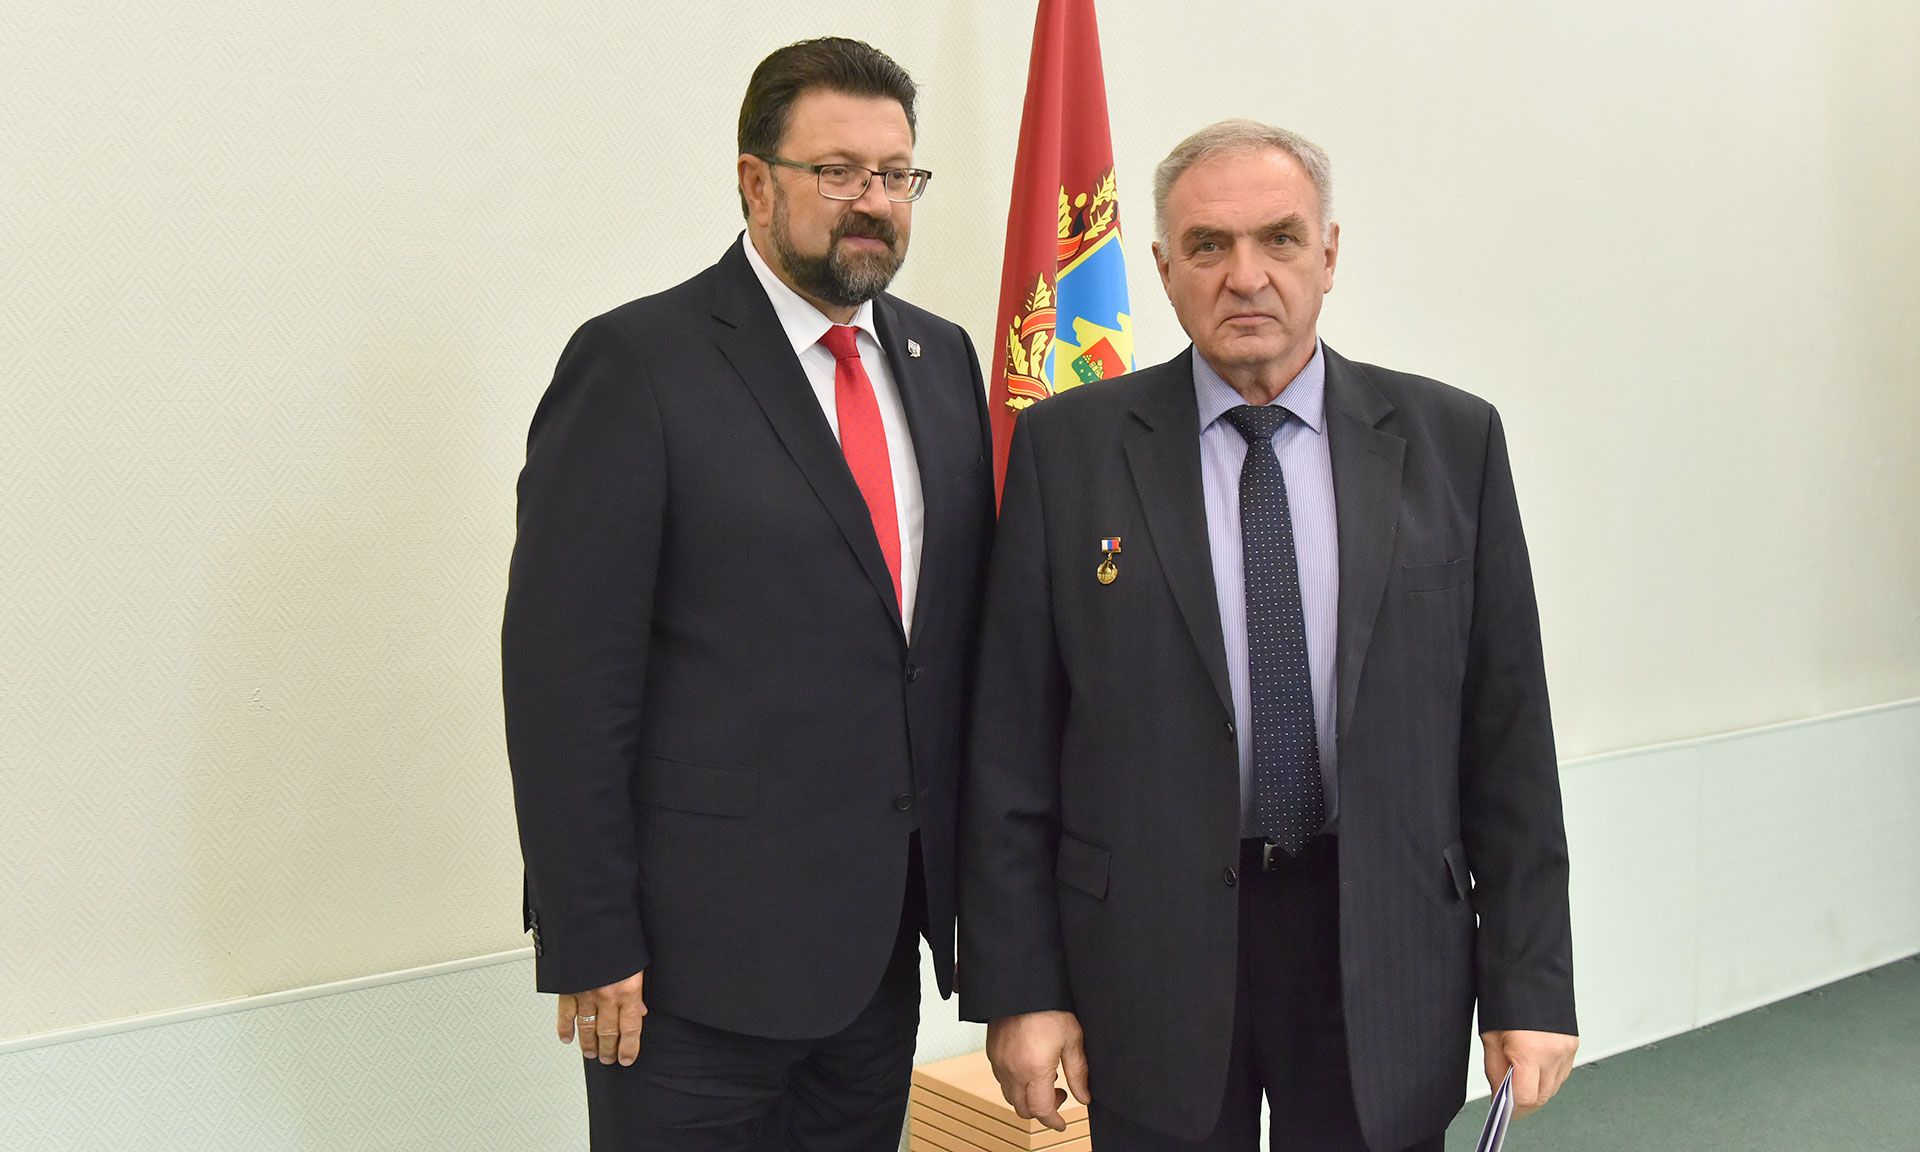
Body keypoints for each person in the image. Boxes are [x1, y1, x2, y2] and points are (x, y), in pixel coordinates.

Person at [959, 119, 1579, 1152]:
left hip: (1380, 942)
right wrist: (1021, 988)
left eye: (1279, 239)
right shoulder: (1069, 450)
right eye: (1208, 245)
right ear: (1164, 269)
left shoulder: (1452, 441)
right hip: (1147, 950)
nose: (1244, 275)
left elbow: (1508, 737)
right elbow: (1011, 743)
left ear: (1328, 254)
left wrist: (1532, 982)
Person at [502, 37, 995, 1151]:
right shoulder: (638, 363)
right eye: (838, 172)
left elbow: (941, 650)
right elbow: (565, 681)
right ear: (755, 183)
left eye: (895, 174)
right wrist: (589, 934)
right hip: (688, 975)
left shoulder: (943, 359)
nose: (874, 203)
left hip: (878, 957)